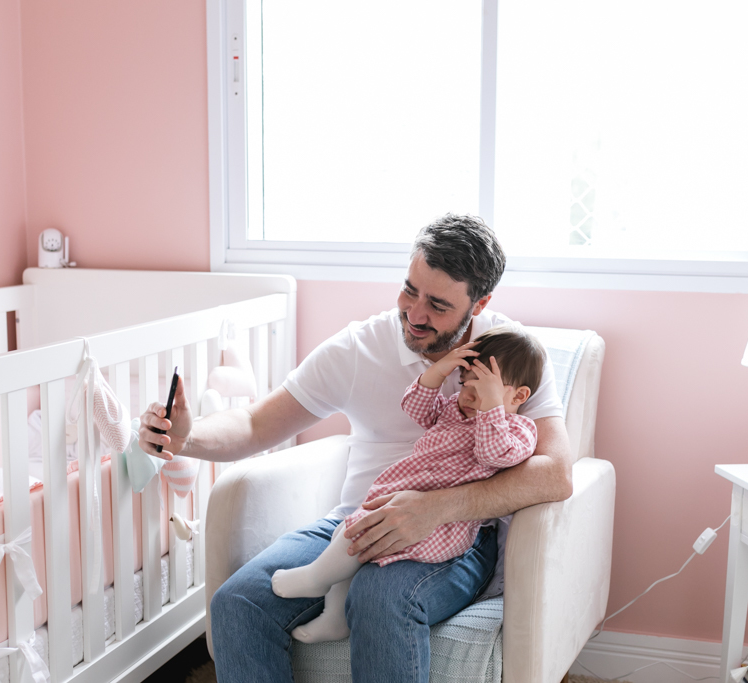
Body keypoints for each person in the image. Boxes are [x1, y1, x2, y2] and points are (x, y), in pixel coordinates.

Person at [138, 213, 573, 683]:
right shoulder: (358, 348)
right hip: (355, 520)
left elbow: (556, 472)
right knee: (238, 603)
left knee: (380, 593)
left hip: (458, 536)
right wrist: (185, 436)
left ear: (480, 302)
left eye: (439, 305)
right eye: (410, 289)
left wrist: (434, 508)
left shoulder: (509, 358)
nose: (415, 313)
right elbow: (254, 423)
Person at [270, 326, 546, 644]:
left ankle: (316, 578)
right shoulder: (455, 412)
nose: (468, 395)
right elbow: (415, 407)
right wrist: (440, 371)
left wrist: (491, 409)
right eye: (465, 383)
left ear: (519, 395)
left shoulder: (517, 430)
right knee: (345, 533)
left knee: (357, 538)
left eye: (481, 388)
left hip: (439, 523)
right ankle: (335, 618)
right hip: (399, 498)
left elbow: (493, 453)